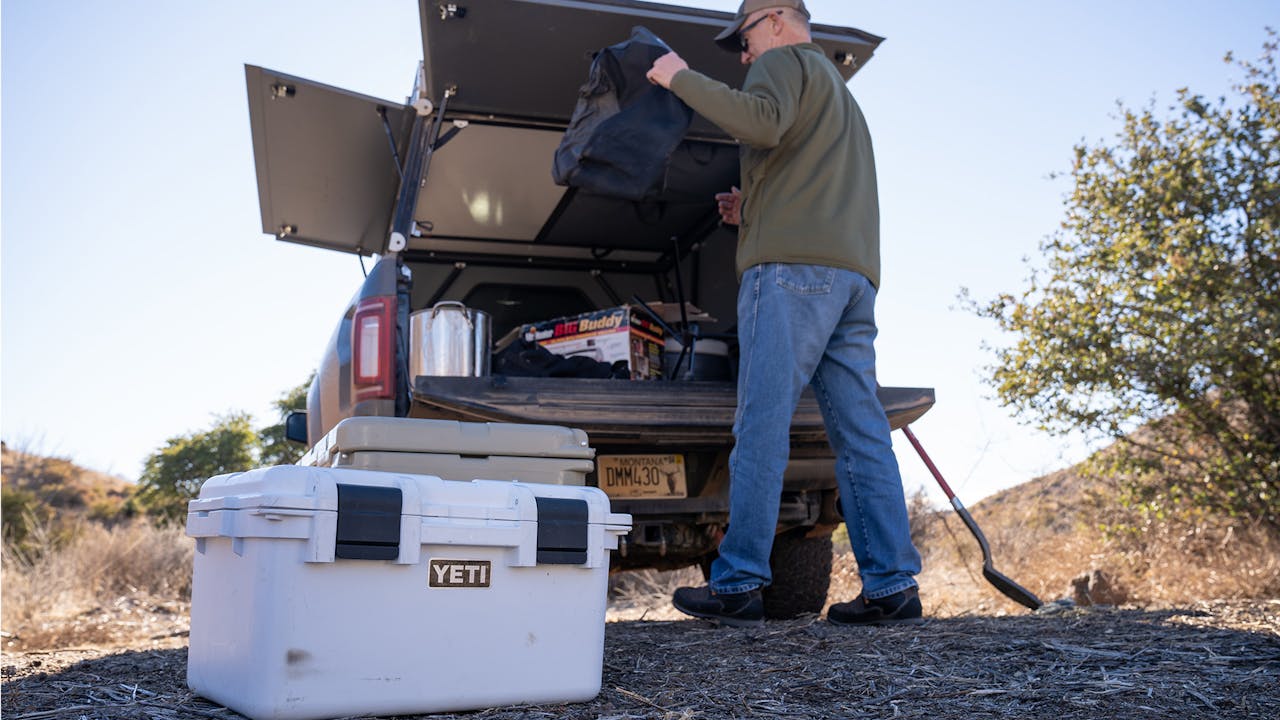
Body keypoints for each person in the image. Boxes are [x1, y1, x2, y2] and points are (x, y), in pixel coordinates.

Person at [645, 0, 922, 627]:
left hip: (792, 276)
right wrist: (755, 208)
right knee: (861, 433)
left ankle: (738, 581)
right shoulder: (837, 93)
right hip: (851, 280)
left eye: (742, 41)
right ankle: (892, 585)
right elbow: (803, 166)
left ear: (772, 20)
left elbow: (762, 124)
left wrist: (677, 76)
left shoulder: (782, 62)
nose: (743, 56)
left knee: (762, 425)